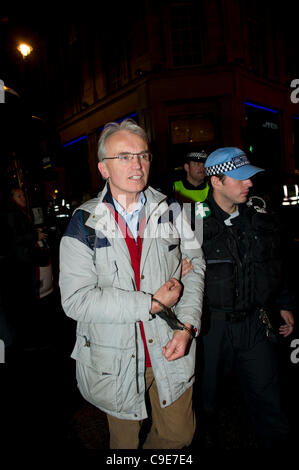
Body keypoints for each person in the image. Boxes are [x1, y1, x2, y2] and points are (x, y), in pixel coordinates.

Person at [59, 119, 205, 449]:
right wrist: (150, 303)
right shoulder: (83, 222)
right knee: (124, 445)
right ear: (103, 168)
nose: (137, 165)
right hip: (116, 358)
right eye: (123, 156)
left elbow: (195, 268)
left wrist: (188, 327)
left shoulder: (176, 209)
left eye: (143, 155)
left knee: (179, 435)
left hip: (170, 346)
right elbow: (77, 300)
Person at [196, 147, 295, 449]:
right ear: (216, 181)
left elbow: (276, 261)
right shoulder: (192, 224)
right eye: (239, 179)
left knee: (268, 398)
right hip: (212, 330)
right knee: (205, 401)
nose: (248, 184)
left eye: (249, 177)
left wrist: (285, 302)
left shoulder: (259, 216)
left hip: (255, 322)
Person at [5, 187, 48, 349]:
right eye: (18, 195)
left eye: (23, 195)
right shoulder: (12, 214)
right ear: (12, 198)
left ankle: (31, 335)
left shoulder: (20, 212)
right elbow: (13, 239)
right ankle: (28, 338)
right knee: (25, 300)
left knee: (29, 298)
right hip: (20, 263)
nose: (23, 197)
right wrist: (34, 236)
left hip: (26, 260)